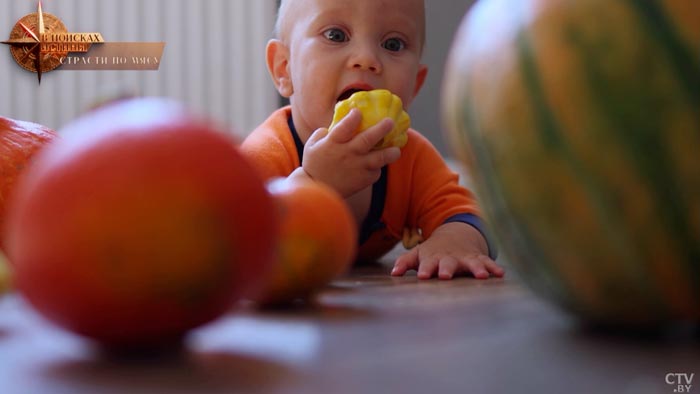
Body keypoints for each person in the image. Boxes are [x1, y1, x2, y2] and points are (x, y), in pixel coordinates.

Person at [241, 0, 505, 280]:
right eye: (336, 36)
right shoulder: (268, 152)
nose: (366, 59)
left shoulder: (409, 158)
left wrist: (455, 241)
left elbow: (471, 214)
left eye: (393, 44)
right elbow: (239, 239)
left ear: (414, 85)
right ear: (284, 68)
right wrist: (314, 182)